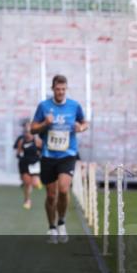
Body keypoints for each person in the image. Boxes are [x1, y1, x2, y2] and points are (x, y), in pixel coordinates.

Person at [30, 74, 89, 244]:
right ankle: (52, 227)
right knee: (51, 195)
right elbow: (33, 129)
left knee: (63, 189)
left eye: (63, 89)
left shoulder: (74, 106)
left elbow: (85, 122)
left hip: (67, 154)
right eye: (58, 89)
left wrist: (81, 128)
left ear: (66, 89)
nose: (61, 92)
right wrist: (44, 124)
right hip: (48, 155)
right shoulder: (43, 106)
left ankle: (61, 222)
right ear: (52, 89)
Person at [14, 120, 43, 210]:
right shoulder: (21, 140)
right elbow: (18, 153)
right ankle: (27, 200)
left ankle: (37, 182)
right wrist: (20, 156)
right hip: (25, 164)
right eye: (26, 132)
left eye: (29, 131)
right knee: (27, 183)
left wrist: (39, 155)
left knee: (35, 183)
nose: (27, 134)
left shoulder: (37, 141)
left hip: (34, 164)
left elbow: (42, 151)